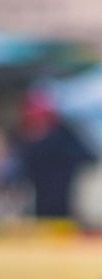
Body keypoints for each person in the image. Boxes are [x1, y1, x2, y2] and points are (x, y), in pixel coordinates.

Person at [17, 90, 96, 220]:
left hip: (64, 211)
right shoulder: (30, 145)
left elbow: (89, 158)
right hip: (44, 213)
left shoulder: (62, 138)